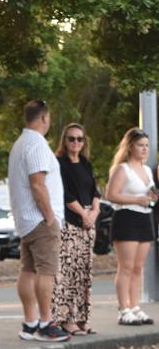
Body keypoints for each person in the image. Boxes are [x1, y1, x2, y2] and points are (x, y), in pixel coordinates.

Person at [8, 99, 70, 342]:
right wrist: (50, 217)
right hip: (40, 220)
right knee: (47, 271)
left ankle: (30, 323)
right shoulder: (36, 144)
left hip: (26, 220)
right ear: (45, 118)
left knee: (28, 270)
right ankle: (46, 323)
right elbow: (38, 184)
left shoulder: (20, 143)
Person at [51, 123, 101, 335]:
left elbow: (95, 191)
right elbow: (65, 194)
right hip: (71, 223)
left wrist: (94, 213)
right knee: (67, 274)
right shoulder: (59, 163)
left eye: (80, 139)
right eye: (71, 138)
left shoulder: (86, 164)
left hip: (88, 223)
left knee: (84, 273)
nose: (76, 143)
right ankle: (66, 318)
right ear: (64, 140)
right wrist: (83, 214)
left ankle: (82, 318)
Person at [105, 127, 157, 326]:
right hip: (126, 218)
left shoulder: (145, 169)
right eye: (140, 145)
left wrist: (151, 197)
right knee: (125, 267)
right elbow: (111, 195)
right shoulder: (122, 169)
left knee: (137, 267)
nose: (144, 149)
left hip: (145, 218)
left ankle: (135, 307)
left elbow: (147, 195)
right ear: (130, 146)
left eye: (146, 146)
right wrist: (137, 199)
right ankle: (123, 310)